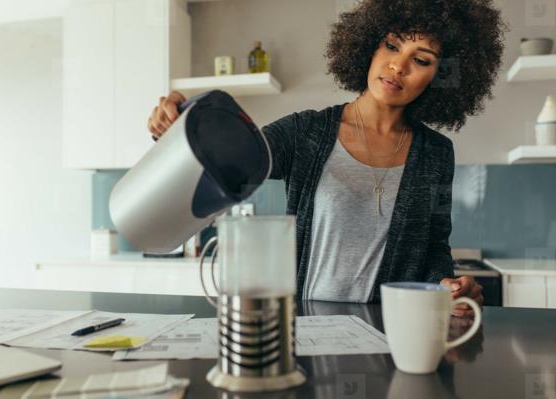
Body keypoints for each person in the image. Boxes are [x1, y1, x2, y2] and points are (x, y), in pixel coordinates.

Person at [147, 0, 507, 317]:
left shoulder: (436, 152)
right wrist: (181, 126)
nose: (398, 66)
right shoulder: (307, 131)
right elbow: (234, 159)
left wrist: (447, 286)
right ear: (370, 44)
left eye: (421, 59)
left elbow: (433, 249)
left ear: (440, 76)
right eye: (392, 45)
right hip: (306, 330)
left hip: (391, 333)